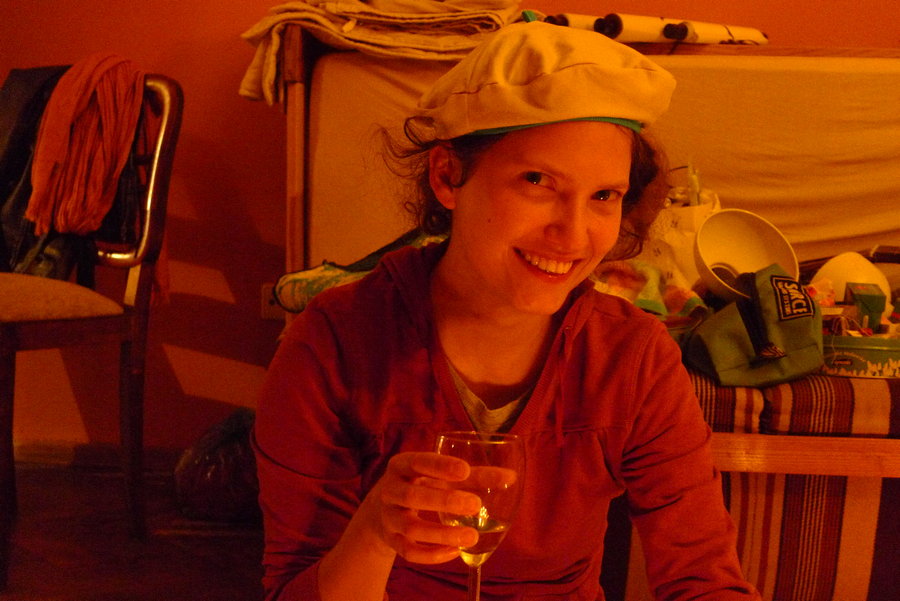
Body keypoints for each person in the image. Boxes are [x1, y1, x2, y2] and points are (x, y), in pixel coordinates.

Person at [253, 19, 761, 601]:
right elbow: (292, 588)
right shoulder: (334, 345)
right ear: (447, 176)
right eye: (537, 181)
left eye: (603, 196)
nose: (573, 234)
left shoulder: (632, 357)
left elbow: (703, 580)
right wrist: (374, 533)